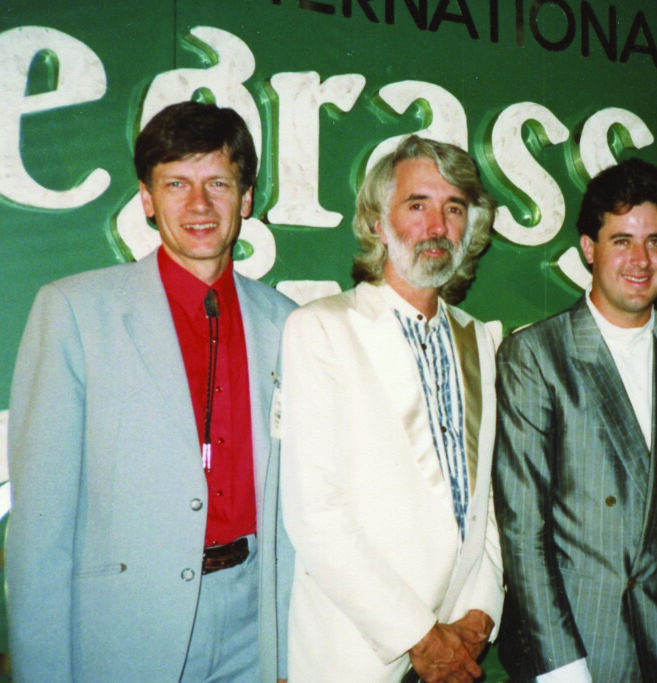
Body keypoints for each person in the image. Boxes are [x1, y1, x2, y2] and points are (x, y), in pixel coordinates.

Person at [5, 101, 296, 682]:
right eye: (176, 184)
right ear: (146, 198)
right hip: (124, 629)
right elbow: (40, 530)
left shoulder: (290, 323)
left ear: (245, 199)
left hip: (256, 627)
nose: (198, 205)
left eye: (218, 182)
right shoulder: (74, 311)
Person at [280, 135, 504, 682]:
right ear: (377, 224)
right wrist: (422, 639)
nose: (437, 225)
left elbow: (488, 500)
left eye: (454, 208)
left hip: (459, 648)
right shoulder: (320, 329)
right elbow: (316, 517)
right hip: (355, 653)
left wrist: (479, 615)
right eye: (417, 204)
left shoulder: (480, 340)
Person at [493, 158, 657, 682]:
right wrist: (561, 667)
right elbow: (524, 530)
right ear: (589, 248)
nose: (641, 260)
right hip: (583, 642)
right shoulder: (536, 355)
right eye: (622, 241)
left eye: (656, 242)